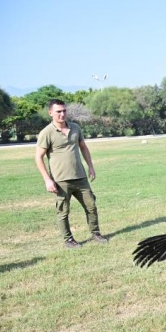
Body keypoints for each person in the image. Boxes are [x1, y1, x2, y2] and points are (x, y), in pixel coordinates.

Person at [35, 99, 107, 248]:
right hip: (61, 180)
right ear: (50, 113)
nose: (62, 114)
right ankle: (68, 240)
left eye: (64, 111)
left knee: (91, 206)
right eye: (58, 111)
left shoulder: (75, 128)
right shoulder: (46, 133)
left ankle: (96, 233)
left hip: (80, 177)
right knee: (63, 212)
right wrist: (47, 180)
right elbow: (38, 157)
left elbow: (83, 148)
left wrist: (91, 167)